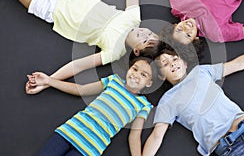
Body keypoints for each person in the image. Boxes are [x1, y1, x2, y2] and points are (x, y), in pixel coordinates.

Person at [0, 0, 159, 94]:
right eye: (151, 33)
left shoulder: (115, 52)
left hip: (52, 10)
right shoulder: (133, 18)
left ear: (136, 51)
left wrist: (48, 81)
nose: (146, 34)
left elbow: (78, 65)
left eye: (146, 40)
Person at [142, 43, 244, 156]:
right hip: (229, 150)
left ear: (183, 62)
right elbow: (156, 136)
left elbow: (238, 64)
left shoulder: (201, 72)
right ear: (161, 75)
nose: (172, 64)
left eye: (175, 59)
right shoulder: (167, 100)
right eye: (165, 64)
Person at [26, 56, 157, 156]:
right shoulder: (113, 81)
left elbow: (134, 136)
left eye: (143, 75)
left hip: (90, 149)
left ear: (149, 83)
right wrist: (49, 80)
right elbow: (81, 90)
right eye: (135, 69)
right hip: (69, 132)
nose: (136, 74)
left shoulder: (143, 105)